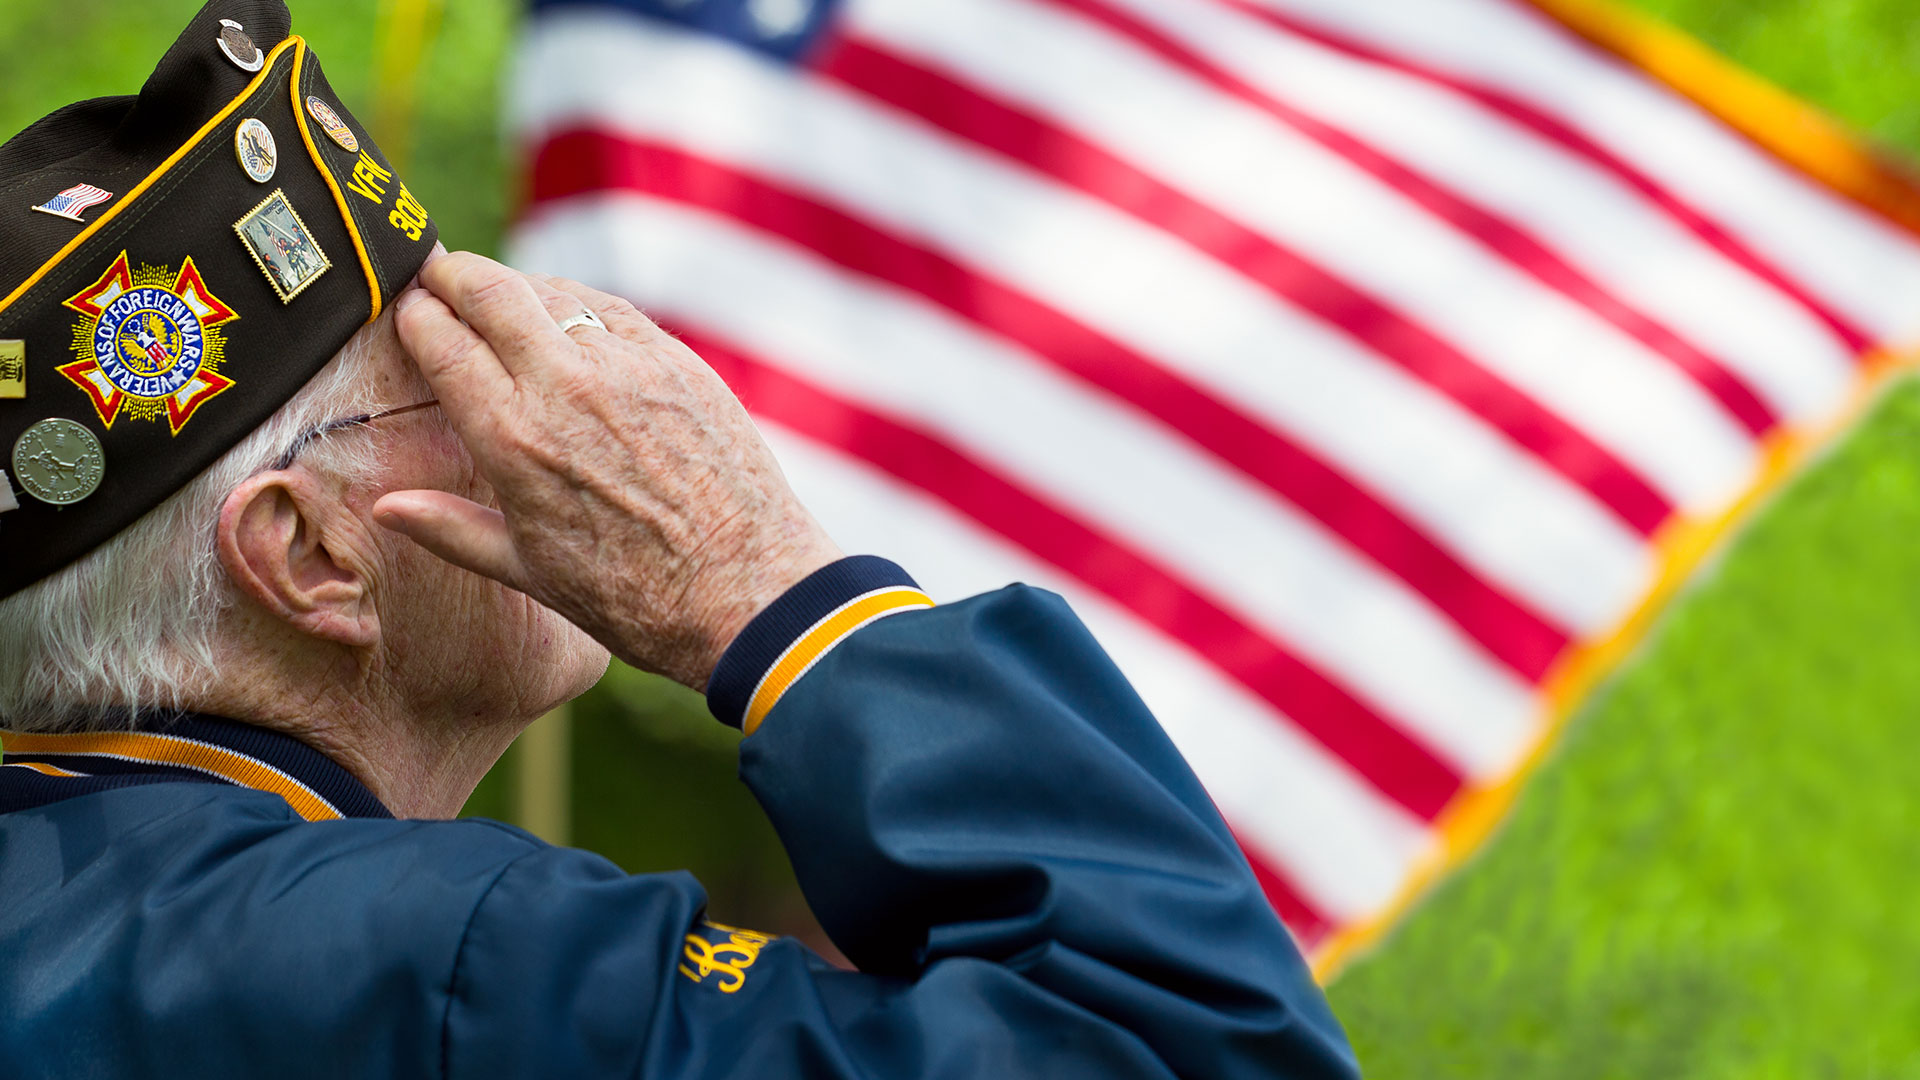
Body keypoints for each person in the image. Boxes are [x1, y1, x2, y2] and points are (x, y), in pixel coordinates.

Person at [0, 2, 1359, 1077]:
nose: (569, 405)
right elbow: (1186, 1052)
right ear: (310, 558)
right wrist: (760, 585)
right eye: (455, 364)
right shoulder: (445, 968)